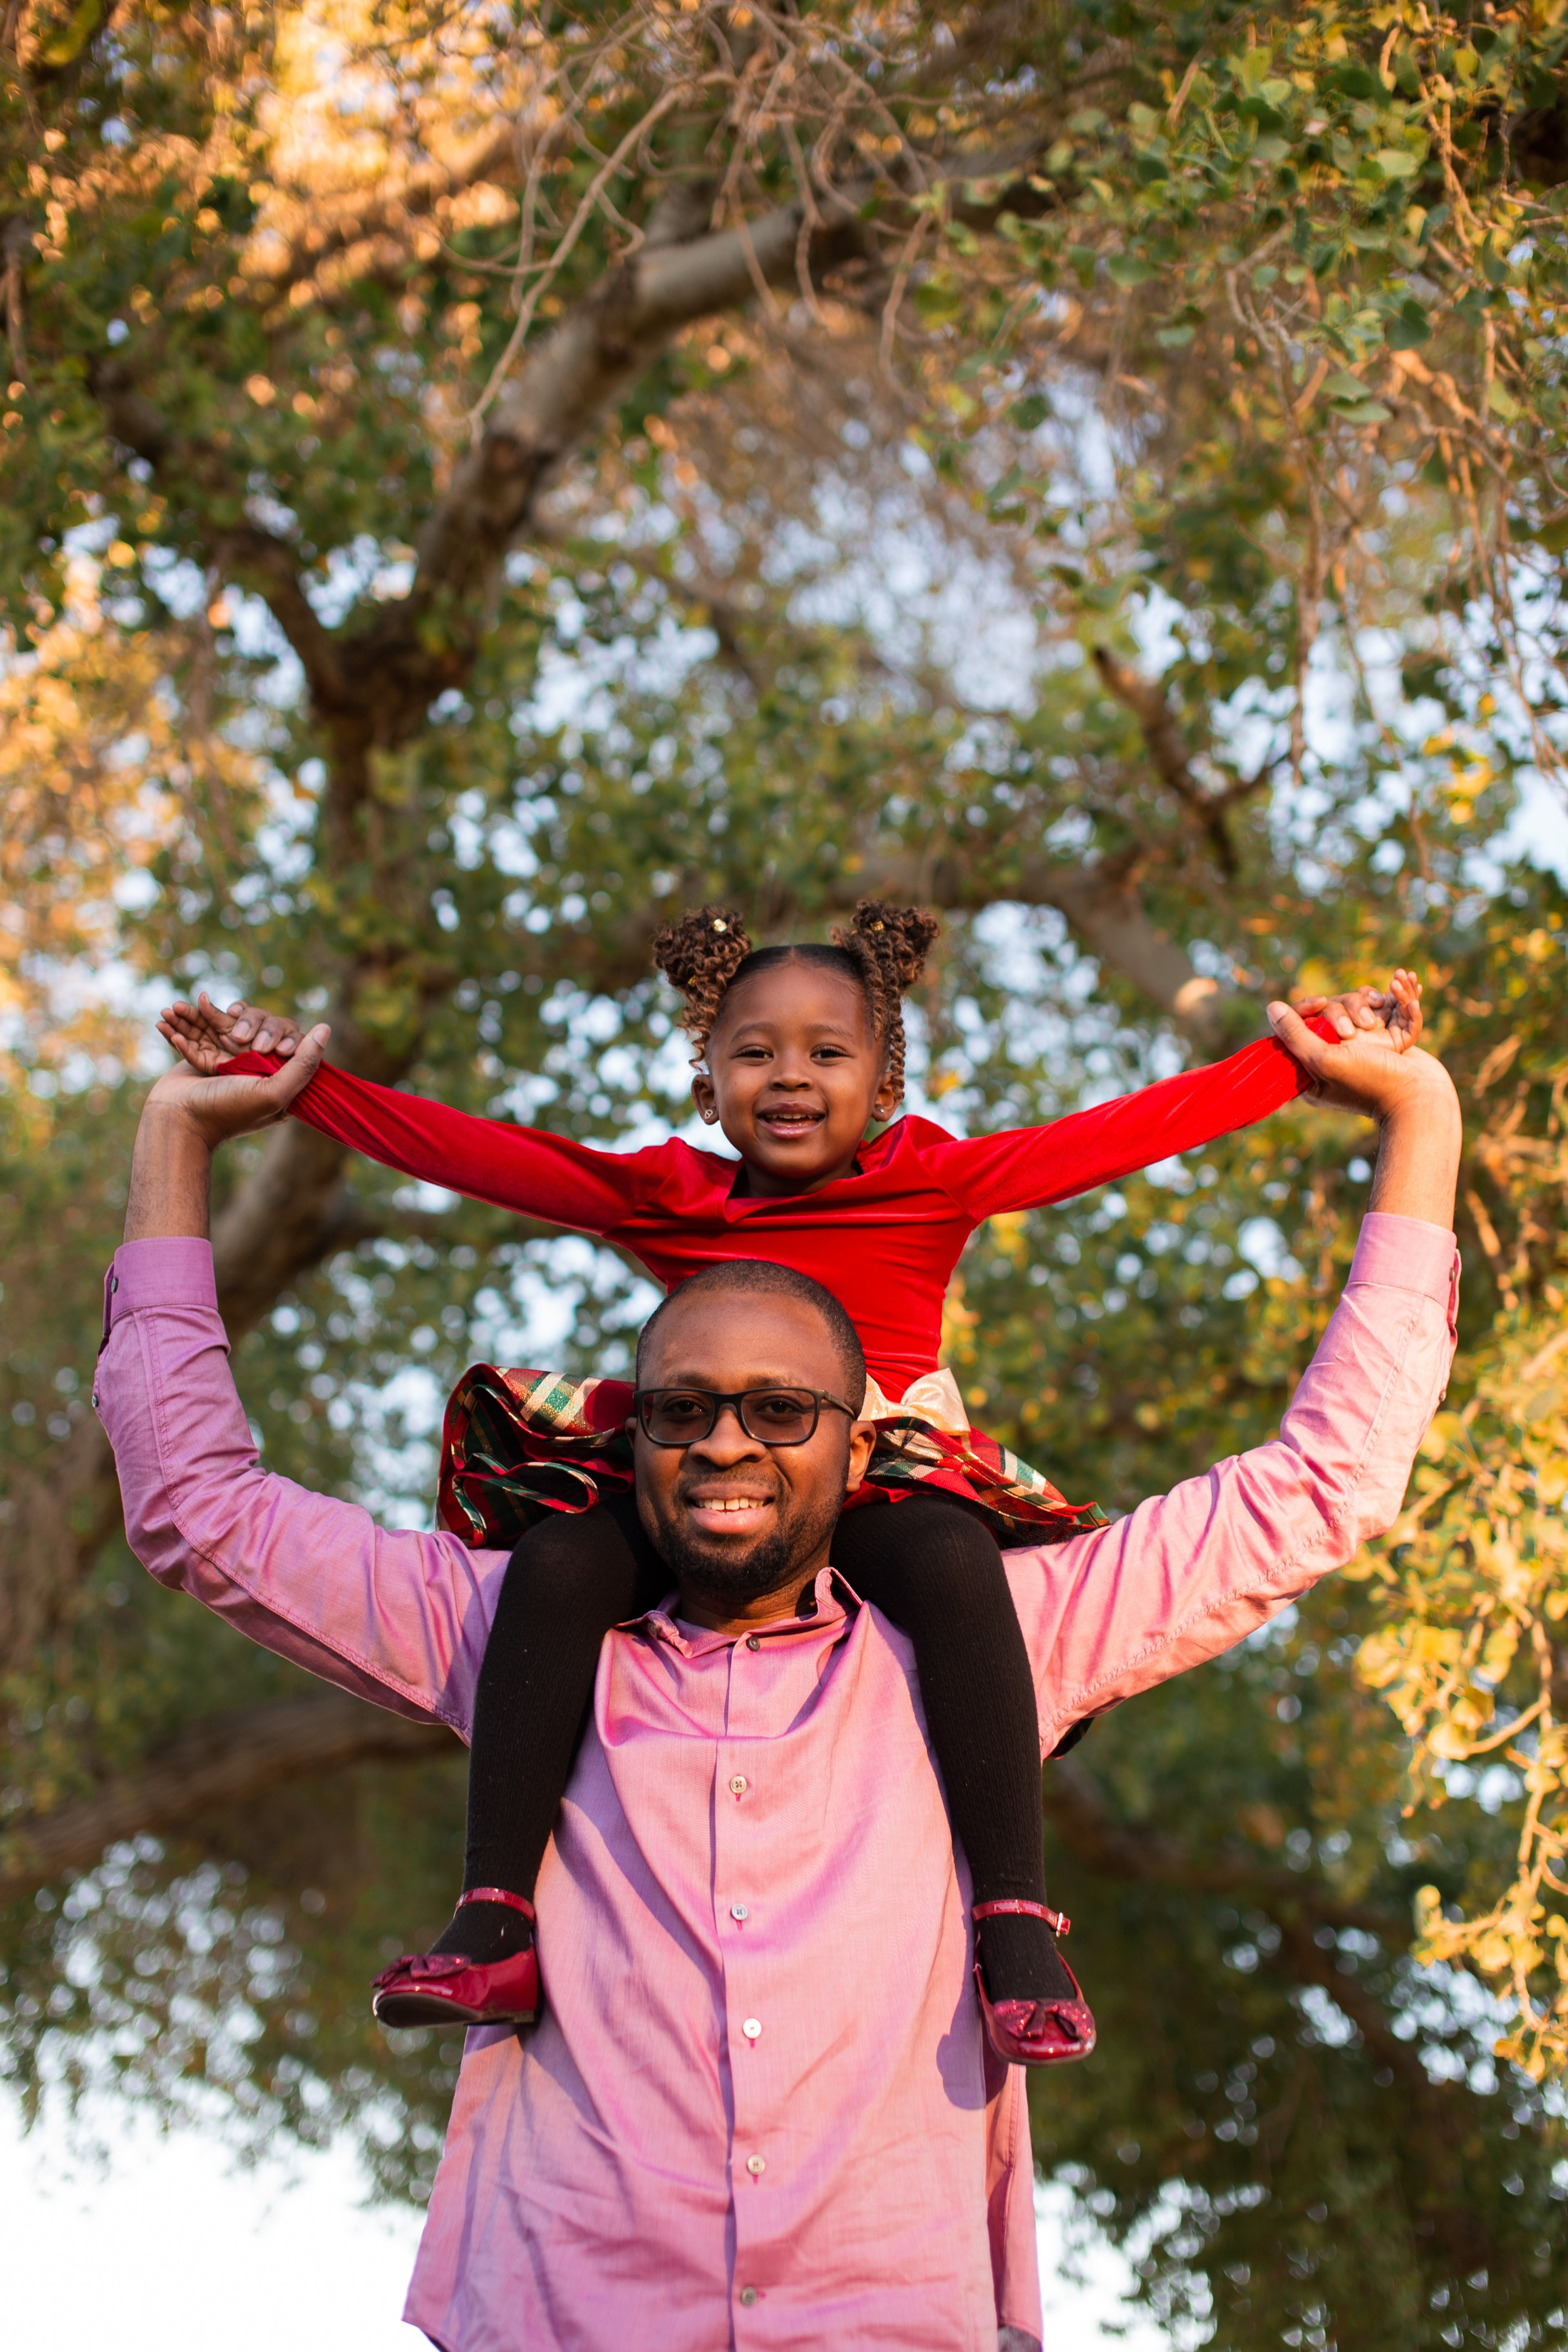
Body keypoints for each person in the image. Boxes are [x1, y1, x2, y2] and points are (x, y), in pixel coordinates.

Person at [98, 996, 1460, 2352]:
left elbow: (1322, 1484)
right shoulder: (515, 1635)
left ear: (857, 1439)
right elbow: (195, 1510)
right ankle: (489, 1915)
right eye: (681, 1411)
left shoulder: (999, 1634)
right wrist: (179, 1137)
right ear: (628, 1441)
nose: (728, 1445)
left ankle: (1016, 1921)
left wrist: (1417, 1116)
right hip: (566, 2314)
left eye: (782, 1410)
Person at [158, 910, 1426, 2063]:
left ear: (885, 1083)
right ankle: (495, 1916)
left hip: (878, 1468)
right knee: (557, 1564)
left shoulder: (932, 1176)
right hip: (710, 1470)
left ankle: (1015, 1925)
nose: (790, 1078)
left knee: (954, 1574)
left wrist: (1302, 1060)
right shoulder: (671, 1194)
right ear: (708, 1081)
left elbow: (1113, 1138)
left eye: (828, 1055)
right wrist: (300, 1094)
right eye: (754, 1054)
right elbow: (491, 1159)